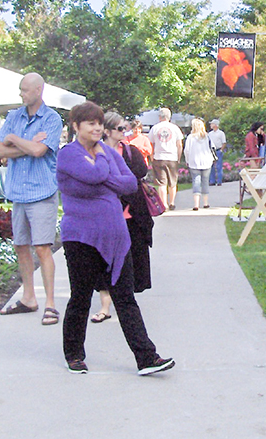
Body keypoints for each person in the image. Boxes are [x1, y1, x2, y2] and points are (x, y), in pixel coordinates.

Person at [57, 101, 174, 376]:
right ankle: (74, 354)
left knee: (125, 298)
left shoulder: (109, 152)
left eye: (100, 123)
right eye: (91, 123)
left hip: (115, 237)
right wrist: (104, 172)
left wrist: (102, 177)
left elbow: (130, 183)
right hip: (81, 238)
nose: (97, 128)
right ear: (76, 126)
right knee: (80, 298)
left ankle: (147, 358)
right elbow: (94, 174)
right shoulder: (68, 155)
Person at [0, 72, 63, 326]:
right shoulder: (14, 116)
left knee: (43, 247)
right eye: (21, 89)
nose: (21, 94)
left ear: (38, 90)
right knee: (20, 245)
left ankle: (50, 304)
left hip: (42, 191)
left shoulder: (52, 118)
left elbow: (39, 151)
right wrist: (25, 144)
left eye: (25, 89)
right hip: (18, 192)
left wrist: (14, 140)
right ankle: (28, 297)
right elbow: (0, 150)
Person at [91, 113, 154, 324]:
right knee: (104, 260)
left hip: (131, 215)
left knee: (130, 261)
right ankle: (105, 307)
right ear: (107, 131)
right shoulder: (94, 151)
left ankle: (125, 301)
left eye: (124, 128)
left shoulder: (130, 151)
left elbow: (139, 173)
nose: (124, 133)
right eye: (119, 129)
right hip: (105, 216)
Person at [147, 107, 184, 210]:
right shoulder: (175, 128)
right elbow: (179, 145)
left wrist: (152, 156)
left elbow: (150, 144)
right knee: (172, 182)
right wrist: (178, 157)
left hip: (159, 157)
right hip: (172, 157)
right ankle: (172, 202)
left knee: (161, 183)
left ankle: (164, 204)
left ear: (160, 117)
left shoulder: (155, 128)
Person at [184, 118, 215, 211]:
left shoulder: (190, 137)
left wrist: (187, 160)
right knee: (205, 181)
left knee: (196, 181)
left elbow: (187, 150)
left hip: (194, 162)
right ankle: (206, 203)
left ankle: (196, 204)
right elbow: (212, 147)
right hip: (207, 161)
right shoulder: (207, 137)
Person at [208, 118, 226, 186]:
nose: (210, 125)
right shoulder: (210, 134)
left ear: (215, 125)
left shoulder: (221, 133)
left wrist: (221, 150)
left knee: (219, 166)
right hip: (211, 150)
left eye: (212, 124)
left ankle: (219, 181)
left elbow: (224, 142)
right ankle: (212, 181)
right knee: (211, 166)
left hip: (218, 150)